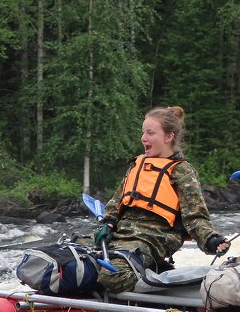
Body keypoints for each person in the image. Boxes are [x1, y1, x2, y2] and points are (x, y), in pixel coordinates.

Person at [89, 106, 229, 293]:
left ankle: (154, 275)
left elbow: (195, 216)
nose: (143, 138)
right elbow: (116, 202)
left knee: (113, 275)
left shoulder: (181, 170)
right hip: (123, 233)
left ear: (168, 137)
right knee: (71, 256)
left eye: (150, 133)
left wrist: (211, 240)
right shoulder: (137, 164)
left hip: (156, 236)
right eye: (143, 132)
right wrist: (108, 223)